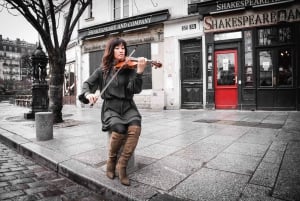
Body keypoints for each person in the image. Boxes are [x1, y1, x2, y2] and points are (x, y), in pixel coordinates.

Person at [78, 37, 147, 186]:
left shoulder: (130, 68)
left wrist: (139, 73)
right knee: (119, 128)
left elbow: (135, 89)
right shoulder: (102, 71)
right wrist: (88, 94)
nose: (121, 50)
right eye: (117, 48)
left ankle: (122, 166)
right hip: (111, 107)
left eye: (123, 47)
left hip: (128, 106)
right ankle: (111, 160)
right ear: (111, 51)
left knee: (135, 126)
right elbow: (87, 84)